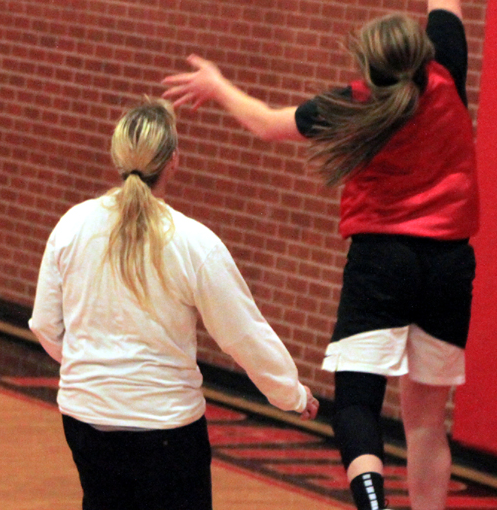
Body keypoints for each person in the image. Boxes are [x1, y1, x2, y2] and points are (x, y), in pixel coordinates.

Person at [161, 0, 495, 510]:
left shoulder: (351, 104)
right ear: (419, 49)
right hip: (450, 267)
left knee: (358, 409)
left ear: (367, 65)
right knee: (429, 420)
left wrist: (219, 85)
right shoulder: (447, 71)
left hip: (382, 261)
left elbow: (261, 121)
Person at [29, 98, 318, 510]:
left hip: (84, 418)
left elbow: (44, 324)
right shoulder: (193, 242)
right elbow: (243, 334)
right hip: (166, 430)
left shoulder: (71, 226)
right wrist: (291, 394)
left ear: (117, 157)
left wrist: (92, 369)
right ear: (174, 161)